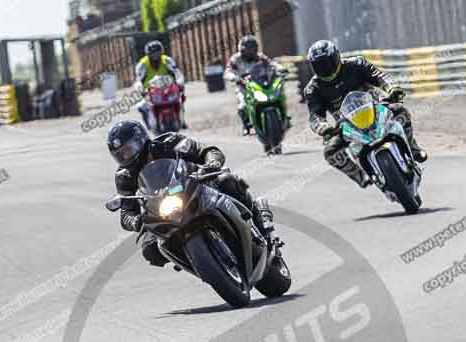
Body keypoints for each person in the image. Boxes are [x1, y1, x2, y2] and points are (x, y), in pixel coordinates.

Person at [107, 120, 279, 267]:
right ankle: (194, 261)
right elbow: (126, 212)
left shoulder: (169, 142)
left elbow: (207, 151)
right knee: (150, 249)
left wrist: (211, 163)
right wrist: (135, 221)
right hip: (162, 210)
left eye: (129, 150)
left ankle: (259, 220)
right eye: (120, 154)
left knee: (227, 180)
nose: (125, 156)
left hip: (196, 186)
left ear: (141, 139)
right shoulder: (124, 176)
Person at [304, 40, 427, 188]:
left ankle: (413, 149)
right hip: (346, 124)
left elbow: (379, 76)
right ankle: (361, 176)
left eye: (327, 62)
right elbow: (314, 116)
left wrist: (393, 89)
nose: (325, 68)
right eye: (319, 65)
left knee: (400, 111)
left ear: (337, 57)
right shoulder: (313, 89)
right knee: (331, 151)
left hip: (375, 108)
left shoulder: (356, 64)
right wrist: (324, 128)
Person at [224, 35, 289, 136]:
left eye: (253, 48)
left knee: (277, 95)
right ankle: (246, 125)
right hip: (243, 85)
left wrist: (280, 68)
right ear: (242, 49)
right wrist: (234, 77)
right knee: (242, 105)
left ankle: (283, 117)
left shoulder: (260, 57)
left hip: (259, 83)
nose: (250, 51)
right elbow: (228, 72)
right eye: (248, 49)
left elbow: (271, 63)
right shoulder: (235, 59)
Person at [135, 40, 187, 130]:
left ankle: (182, 120)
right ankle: (148, 125)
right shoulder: (142, 65)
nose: (155, 56)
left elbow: (177, 73)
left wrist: (180, 83)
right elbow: (139, 80)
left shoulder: (167, 60)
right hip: (150, 91)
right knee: (141, 106)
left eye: (157, 53)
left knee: (181, 98)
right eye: (153, 54)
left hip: (168, 88)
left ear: (161, 52)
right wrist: (141, 90)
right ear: (148, 54)